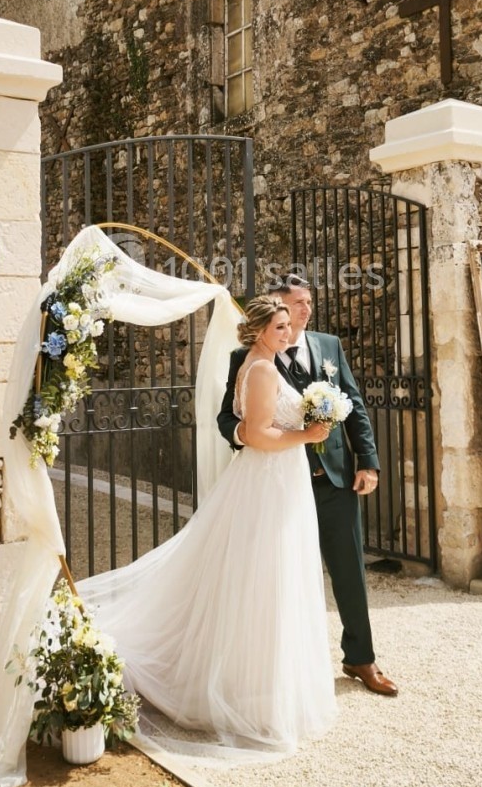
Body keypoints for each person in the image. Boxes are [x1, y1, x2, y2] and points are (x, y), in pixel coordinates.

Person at [77, 295, 338, 756]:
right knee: (265, 576)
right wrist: (308, 434)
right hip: (270, 481)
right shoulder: (260, 369)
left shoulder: (265, 363)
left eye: (286, 326)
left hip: (281, 479)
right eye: (279, 327)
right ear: (260, 330)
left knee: (267, 577)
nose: (287, 332)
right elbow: (256, 434)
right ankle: (252, 697)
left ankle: (262, 687)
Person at [218, 274, 398, 697]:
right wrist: (251, 437)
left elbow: (353, 408)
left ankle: (361, 659)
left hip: (334, 478)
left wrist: (368, 462)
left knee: (349, 571)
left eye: (309, 302)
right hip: (278, 483)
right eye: (297, 302)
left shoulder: (329, 346)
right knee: (280, 574)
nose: (306, 309)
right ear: (276, 308)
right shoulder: (246, 358)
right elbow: (227, 418)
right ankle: (279, 666)